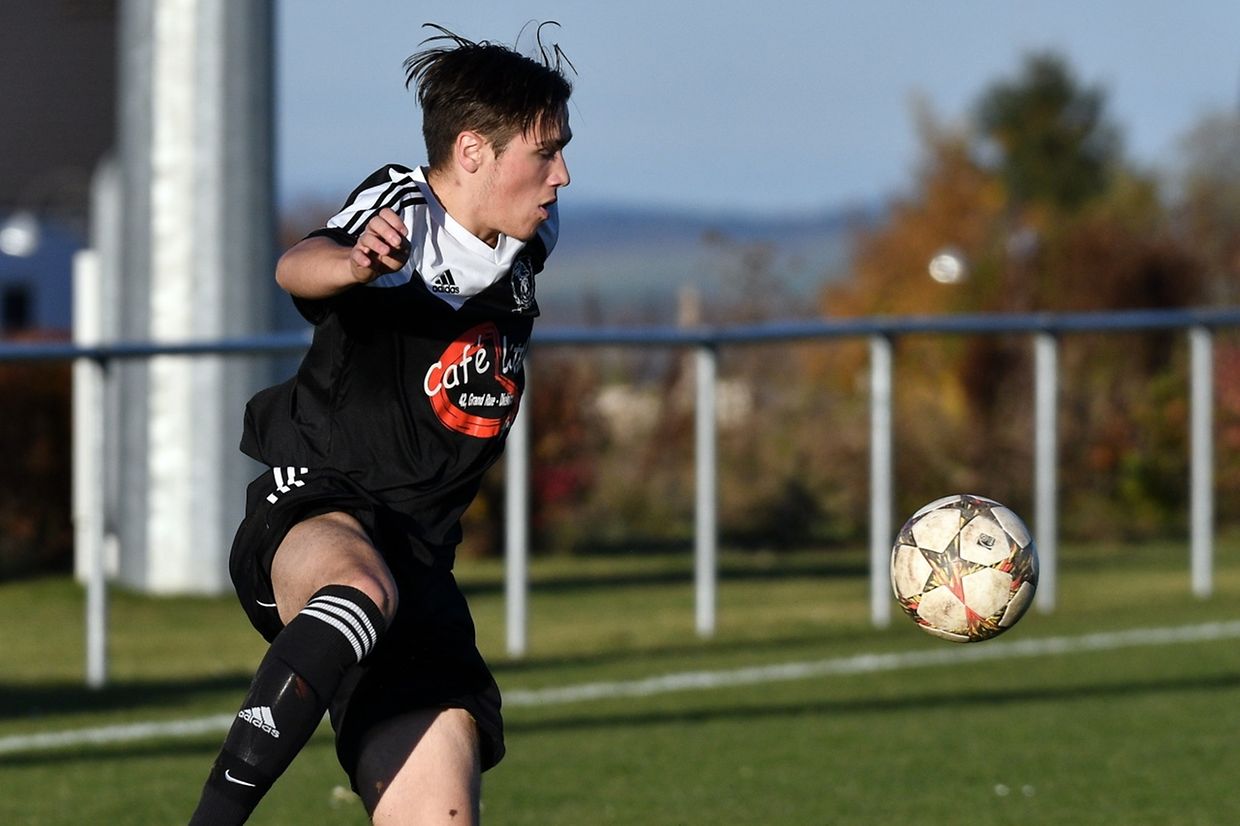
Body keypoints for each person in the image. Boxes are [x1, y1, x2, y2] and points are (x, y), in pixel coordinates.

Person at [188, 23, 573, 825]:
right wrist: (357, 262)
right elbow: (300, 262)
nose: (563, 175)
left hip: (422, 560)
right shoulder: (403, 209)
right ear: (472, 152)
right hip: (316, 502)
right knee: (359, 588)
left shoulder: (530, 247)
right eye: (545, 153)